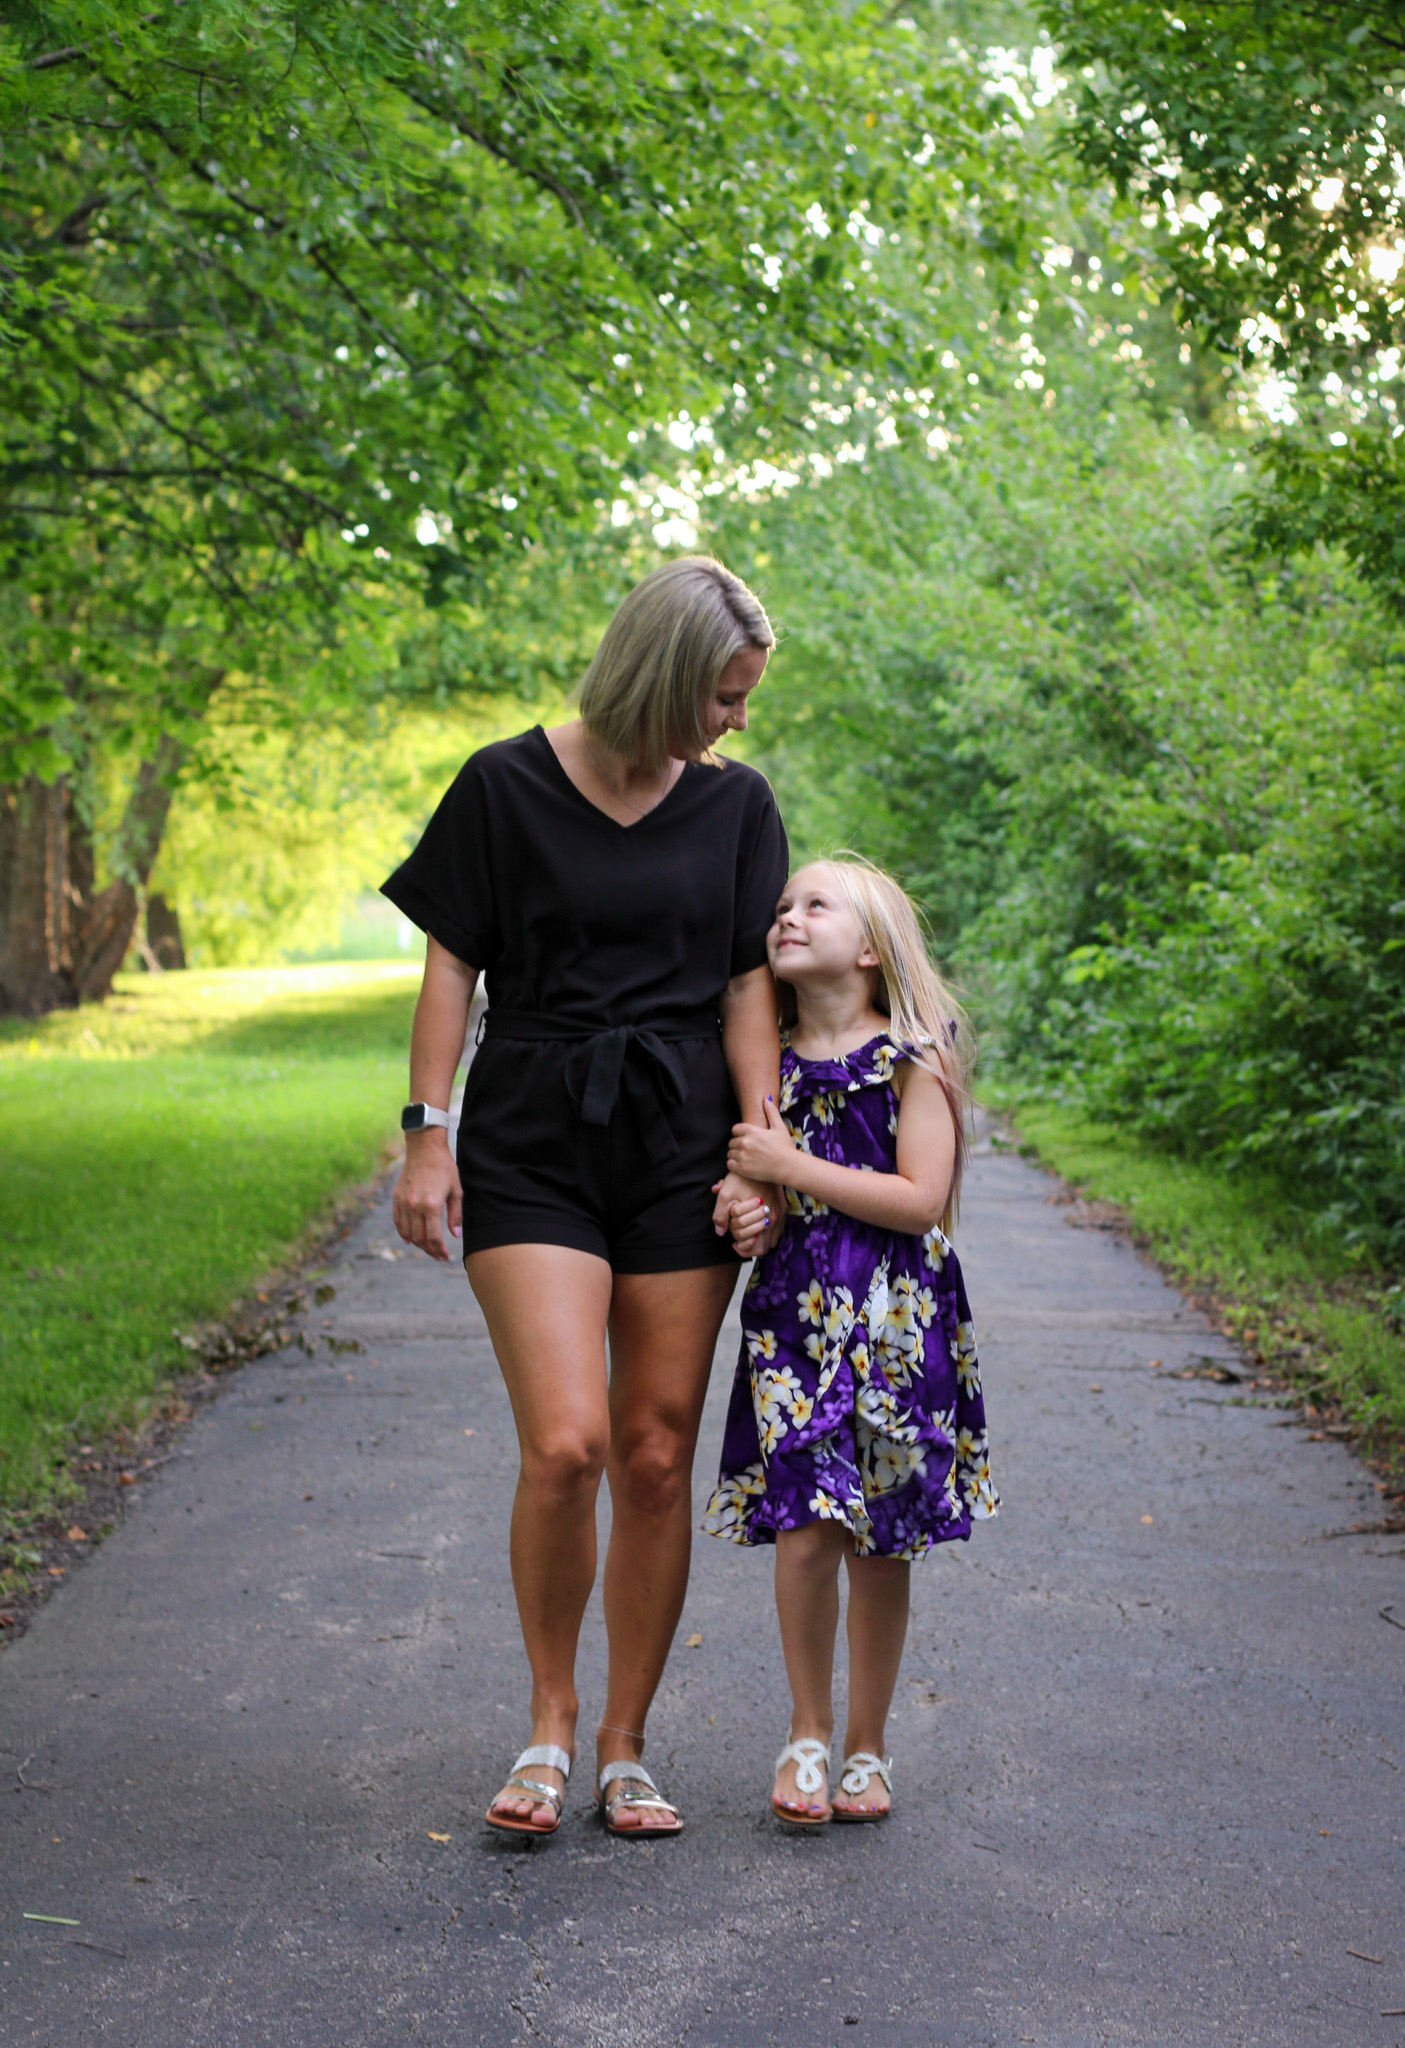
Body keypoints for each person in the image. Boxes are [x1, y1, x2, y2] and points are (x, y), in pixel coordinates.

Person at [381, 558, 788, 1839]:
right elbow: (453, 959)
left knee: (657, 1453)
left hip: (679, 1142)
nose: (736, 721)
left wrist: (758, 1149)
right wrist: (425, 1135)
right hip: (534, 1135)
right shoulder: (502, 785)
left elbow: (744, 991)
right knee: (568, 1443)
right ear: (664, 674)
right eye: (724, 696)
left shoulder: (736, 809)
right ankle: (548, 1721)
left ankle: (624, 1743)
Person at [703, 857, 999, 1826]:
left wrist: (789, 1165)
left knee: (881, 1540)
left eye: (813, 905)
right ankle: (805, 1730)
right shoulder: (762, 1063)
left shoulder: (914, 1055)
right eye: (780, 905)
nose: (786, 916)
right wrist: (748, 1205)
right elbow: (759, 1186)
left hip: (896, 1326)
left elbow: (917, 1201)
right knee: (802, 1526)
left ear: (869, 949)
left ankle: (867, 1744)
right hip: (793, 1317)